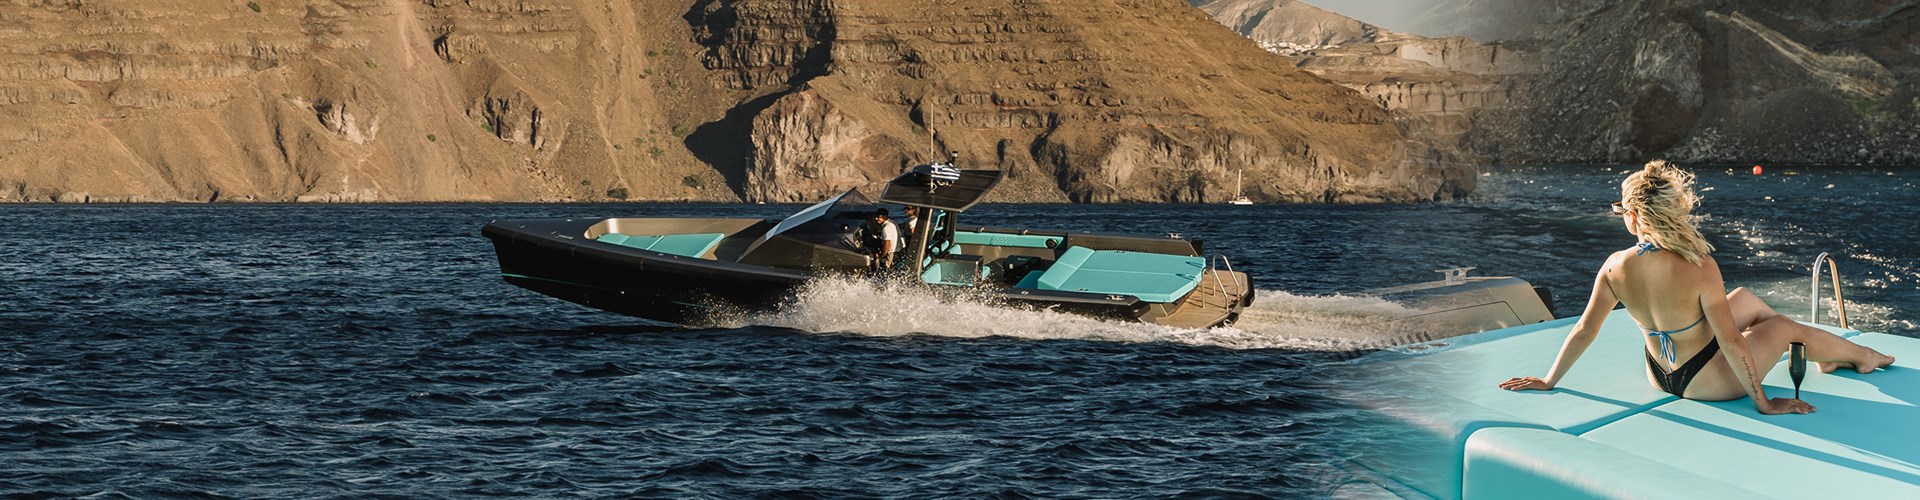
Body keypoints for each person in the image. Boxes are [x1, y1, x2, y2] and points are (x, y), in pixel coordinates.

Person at [1499, 160, 1893, 415]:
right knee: (1781, 327)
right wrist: (1764, 403)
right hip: (1708, 384)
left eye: (1621, 211)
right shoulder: (1699, 266)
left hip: (1662, 374)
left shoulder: (1615, 266)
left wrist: (1550, 380)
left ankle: (1823, 355)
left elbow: (1586, 330)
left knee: (1747, 301)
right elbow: (1731, 342)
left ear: (1634, 216)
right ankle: (1860, 356)